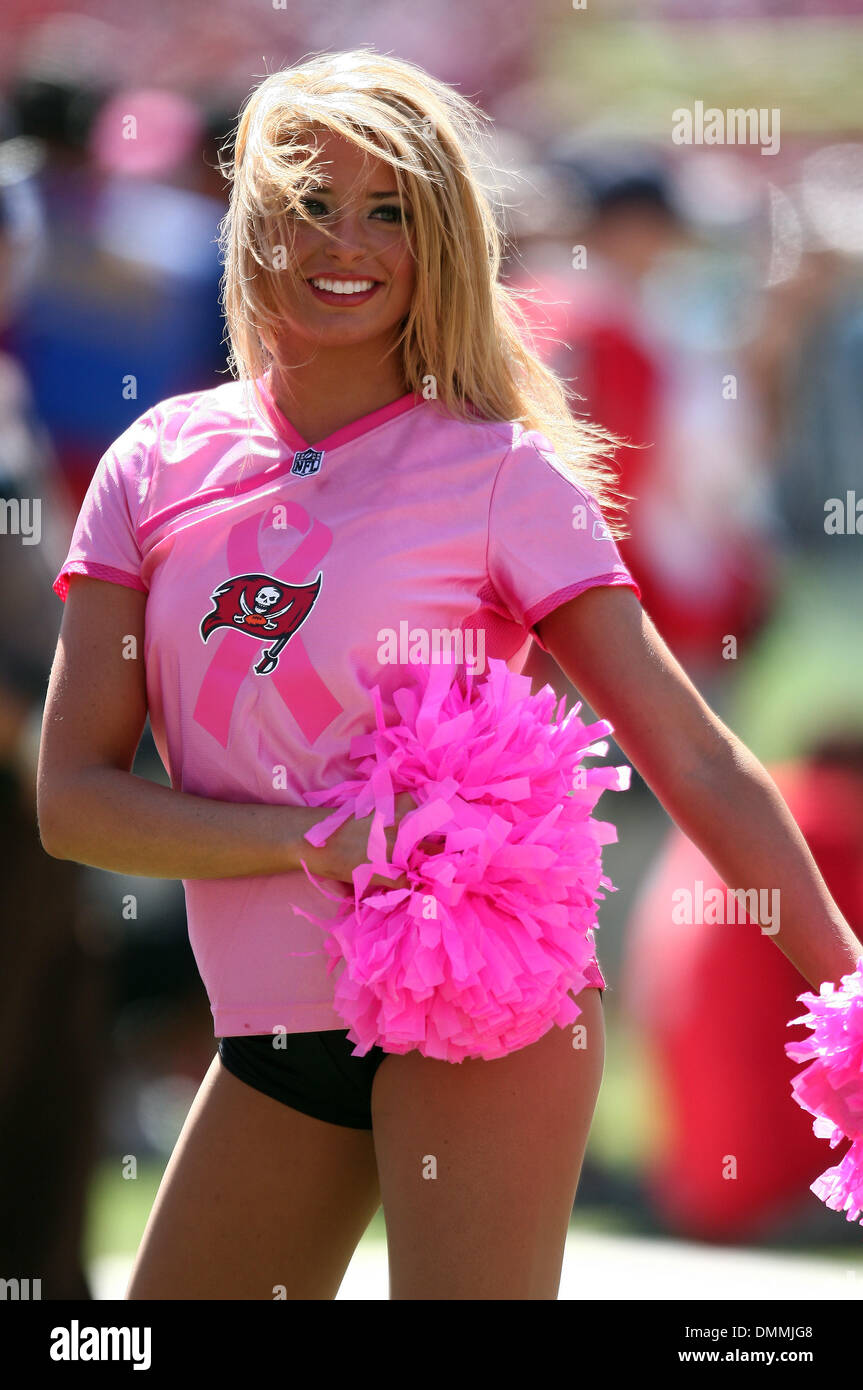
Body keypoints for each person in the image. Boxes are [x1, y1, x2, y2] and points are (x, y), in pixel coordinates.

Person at [37, 49, 862, 1301]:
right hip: (267, 1036)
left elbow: (686, 749)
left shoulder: (496, 475)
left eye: (391, 212)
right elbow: (76, 802)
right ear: (250, 220)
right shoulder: (154, 466)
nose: (347, 242)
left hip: (482, 1013)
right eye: (312, 203)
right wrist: (311, 840)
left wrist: (846, 988)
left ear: (442, 244)